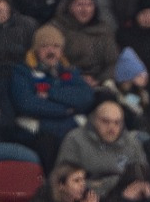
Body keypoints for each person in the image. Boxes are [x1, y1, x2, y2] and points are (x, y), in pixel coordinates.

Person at [7, 22, 92, 160]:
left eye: (56, 46)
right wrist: (66, 110)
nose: (51, 51)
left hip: (65, 127)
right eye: (45, 46)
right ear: (36, 49)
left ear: (62, 50)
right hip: (39, 132)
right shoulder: (22, 72)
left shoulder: (70, 71)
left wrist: (50, 93)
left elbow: (86, 97)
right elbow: (26, 104)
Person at [56, 95, 147, 199]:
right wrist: (113, 182)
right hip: (85, 197)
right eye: (105, 121)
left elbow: (141, 178)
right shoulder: (75, 139)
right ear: (94, 120)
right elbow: (65, 181)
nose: (112, 128)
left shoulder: (132, 143)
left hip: (124, 199)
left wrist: (105, 184)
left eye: (117, 123)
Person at [49, 0, 116, 84]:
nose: (85, 10)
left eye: (89, 5)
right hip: (66, 81)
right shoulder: (55, 29)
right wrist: (75, 78)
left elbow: (112, 62)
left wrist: (98, 80)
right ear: (69, 6)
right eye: (79, 4)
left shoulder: (104, 30)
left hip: (99, 81)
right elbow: (50, 60)